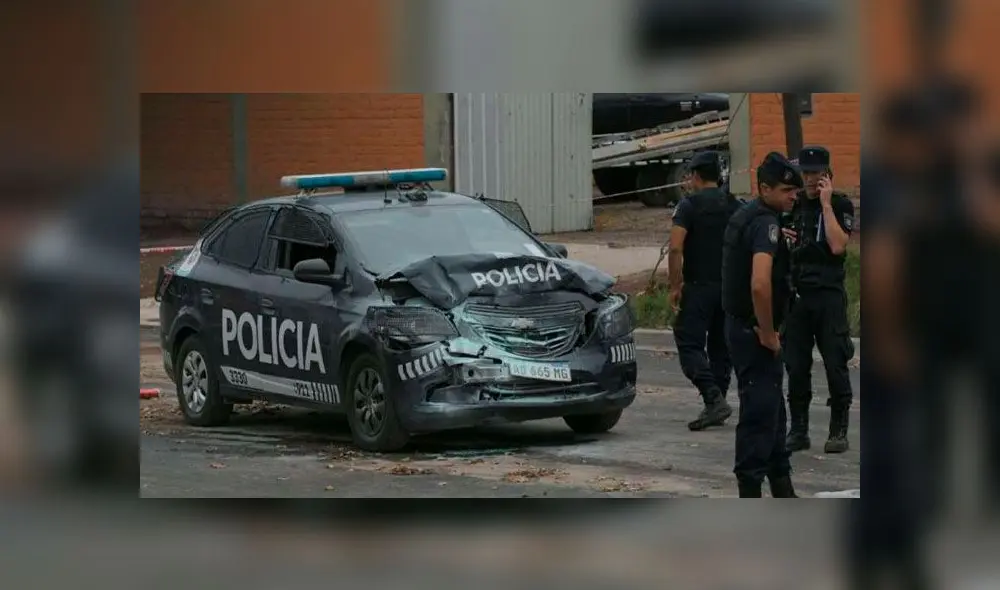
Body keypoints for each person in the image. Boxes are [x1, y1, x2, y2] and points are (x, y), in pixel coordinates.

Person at [721, 151, 801, 498]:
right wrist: (768, 332)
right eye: (786, 190)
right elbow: (759, 283)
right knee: (759, 414)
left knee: (773, 411)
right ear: (764, 188)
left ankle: (782, 484)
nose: (793, 196)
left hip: (740, 327)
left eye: (795, 191)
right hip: (753, 333)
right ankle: (751, 491)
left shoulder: (750, 214)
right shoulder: (765, 223)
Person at [782, 146, 857, 454]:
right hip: (797, 296)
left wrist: (825, 205)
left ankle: (838, 430)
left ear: (827, 174)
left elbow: (838, 246)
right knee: (796, 366)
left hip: (828, 296)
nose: (810, 179)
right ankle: (798, 429)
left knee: (835, 363)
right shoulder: (793, 205)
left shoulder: (839, 205)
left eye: (816, 173)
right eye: (806, 173)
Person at [667, 151, 741, 431]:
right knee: (721, 347)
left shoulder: (688, 206)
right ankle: (717, 401)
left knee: (688, 342)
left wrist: (675, 286)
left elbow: (676, 247)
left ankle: (712, 397)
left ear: (696, 176)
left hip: (699, 287)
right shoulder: (736, 204)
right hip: (729, 288)